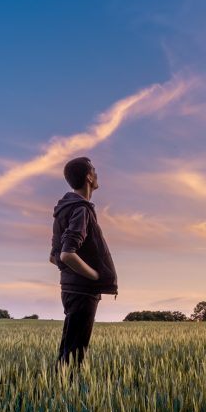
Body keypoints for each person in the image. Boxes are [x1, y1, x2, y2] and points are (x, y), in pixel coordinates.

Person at [50, 157, 118, 369]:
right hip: (82, 290)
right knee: (75, 353)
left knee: (69, 348)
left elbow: (54, 256)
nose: (97, 174)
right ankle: (64, 395)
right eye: (94, 171)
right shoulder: (81, 209)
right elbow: (66, 254)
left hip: (70, 288)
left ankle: (59, 391)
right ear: (89, 176)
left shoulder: (64, 209)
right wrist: (95, 276)